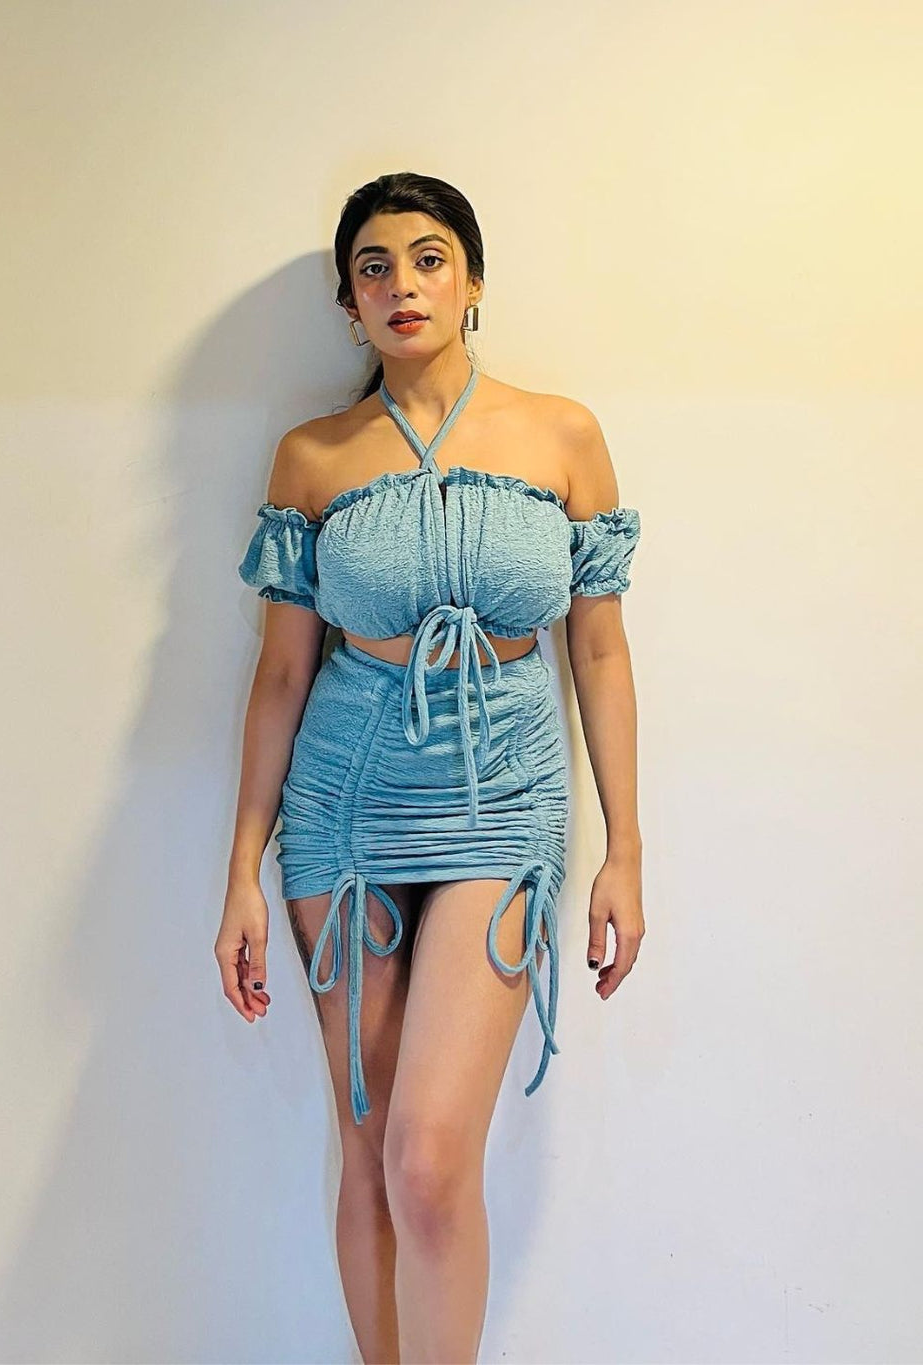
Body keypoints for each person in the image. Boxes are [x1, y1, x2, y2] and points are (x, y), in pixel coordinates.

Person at [216, 171, 645, 1364]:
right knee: (367, 1148)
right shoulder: (313, 455)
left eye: (426, 258)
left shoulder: (560, 435)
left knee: (427, 1157)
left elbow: (598, 651)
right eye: (372, 267)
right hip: (343, 807)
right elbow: (282, 676)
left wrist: (625, 851)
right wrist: (243, 869)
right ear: (348, 304)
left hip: (503, 800)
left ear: (472, 282)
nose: (400, 284)